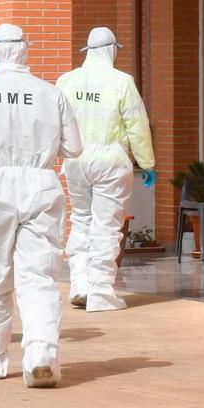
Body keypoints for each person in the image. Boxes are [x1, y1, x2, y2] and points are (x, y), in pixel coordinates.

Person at [0, 23, 83, 388]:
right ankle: (40, 353)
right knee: (39, 277)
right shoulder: (49, 92)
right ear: (25, 49)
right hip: (40, 183)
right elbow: (74, 147)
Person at [56, 27, 156, 312]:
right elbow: (137, 126)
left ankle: (80, 283)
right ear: (112, 49)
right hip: (110, 160)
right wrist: (147, 163)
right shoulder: (121, 82)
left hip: (75, 160)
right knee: (106, 225)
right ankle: (100, 291)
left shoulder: (67, 80)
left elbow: (57, 122)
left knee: (82, 220)